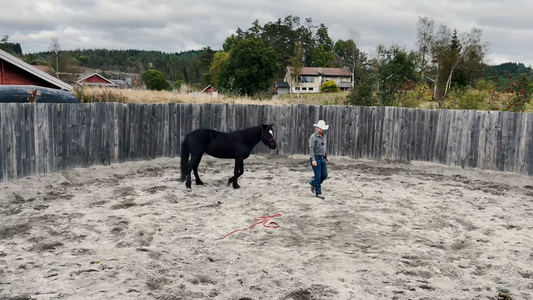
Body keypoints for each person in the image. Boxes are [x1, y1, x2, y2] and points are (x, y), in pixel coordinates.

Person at [308, 120, 330, 199]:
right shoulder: (313, 137)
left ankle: (313, 183)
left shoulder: (324, 137)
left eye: (323, 128)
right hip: (316, 158)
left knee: (324, 175)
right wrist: (313, 159)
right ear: (318, 128)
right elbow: (311, 149)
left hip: (322, 158)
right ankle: (318, 192)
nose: (322, 130)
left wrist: (326, 157)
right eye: (321, 128)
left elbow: (324, 148)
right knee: (318, 176)